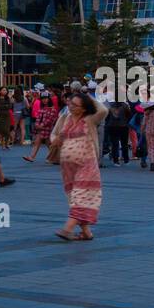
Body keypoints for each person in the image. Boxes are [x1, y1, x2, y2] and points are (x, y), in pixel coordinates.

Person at [49, 92, 107, 240]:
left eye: (75, 104)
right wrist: (55, 140)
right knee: (74, 198)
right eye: (70, 103)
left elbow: (103, 110)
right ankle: (87, 232)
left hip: (86, 163)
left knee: (82, 196)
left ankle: (67, 229)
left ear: (84, 108)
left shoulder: (90, 119)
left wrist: (89, 97)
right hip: (68, 167)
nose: (70, 106)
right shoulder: (66, 117)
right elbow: (54, 134)